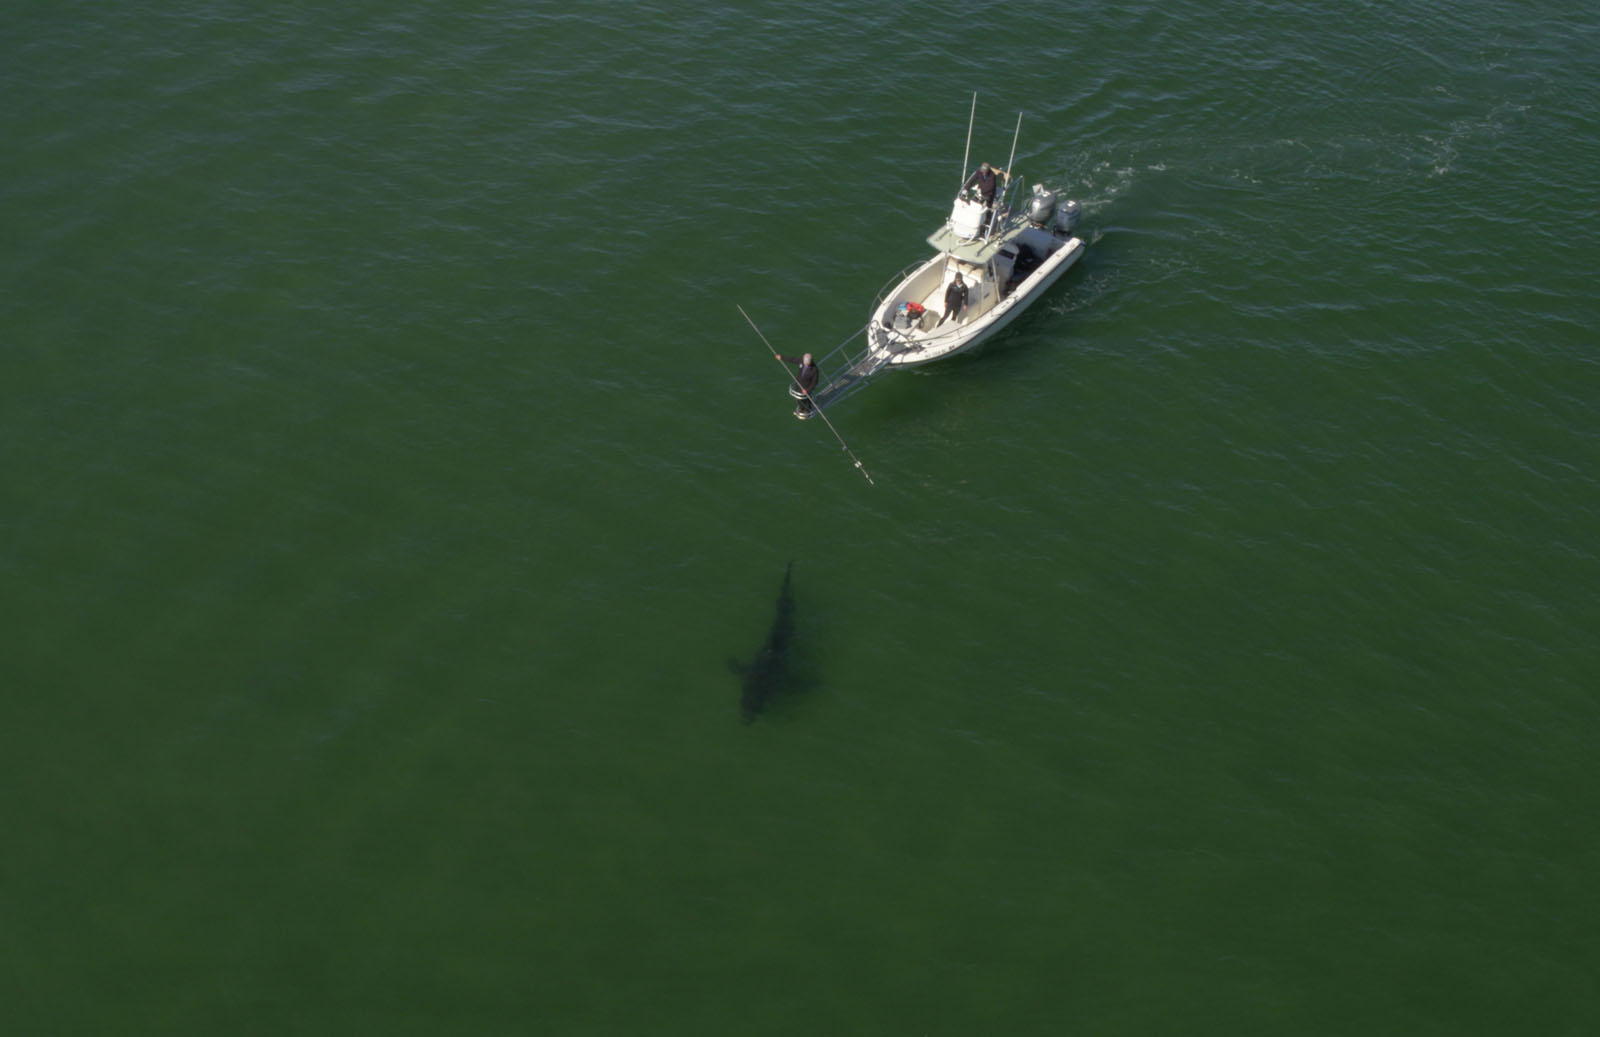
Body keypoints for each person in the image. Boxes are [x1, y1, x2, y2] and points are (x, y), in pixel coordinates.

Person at [962, 161, 1008, 234]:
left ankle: (987, 224)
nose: (983, 172)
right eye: (982, 171)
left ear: (988, 171)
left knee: (988, 208)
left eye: (984, 171)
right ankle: (972, 222)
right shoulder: (978, 172)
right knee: (973, 204)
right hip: (980, 192)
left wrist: (981, 191)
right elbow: (971, 180)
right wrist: (966, 189)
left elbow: (990, 187)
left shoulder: (992, 176)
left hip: (989, 194)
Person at [776, 352, 820, 417]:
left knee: (804, 399)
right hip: (799, 385)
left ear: (809, 362)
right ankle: (802, 408)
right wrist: (781, 357)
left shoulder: (814, 370)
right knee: (799, 399)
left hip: (806, 387)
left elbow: (815, 382)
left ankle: (807, 410)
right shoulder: (801, 361)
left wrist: (807, 390)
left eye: (806, 363)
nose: (805, 363)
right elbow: (792, 359)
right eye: (804, 362)